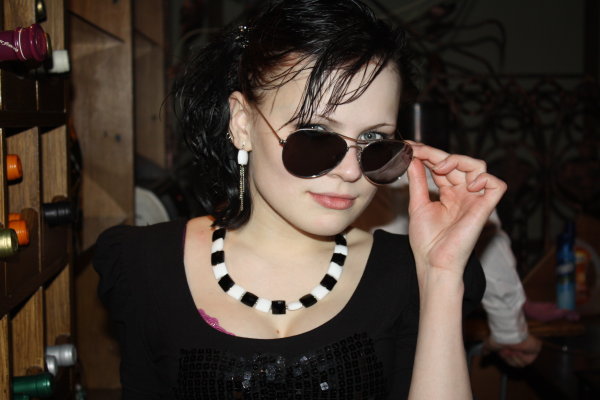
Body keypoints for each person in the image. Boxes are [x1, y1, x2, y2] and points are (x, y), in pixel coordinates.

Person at [93, 1, 507, 398]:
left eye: (373, 139)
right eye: (315, 135)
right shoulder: (145, 266)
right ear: (242, 123)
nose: (350, 171)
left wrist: (440, 274)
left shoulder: (404, 274)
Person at [354, 163, 542, 369]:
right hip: (410, 344)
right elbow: (487, 243)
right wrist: (509, 331)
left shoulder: (415, 173)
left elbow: (480, 236)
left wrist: (509, 331)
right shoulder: (423, 173)